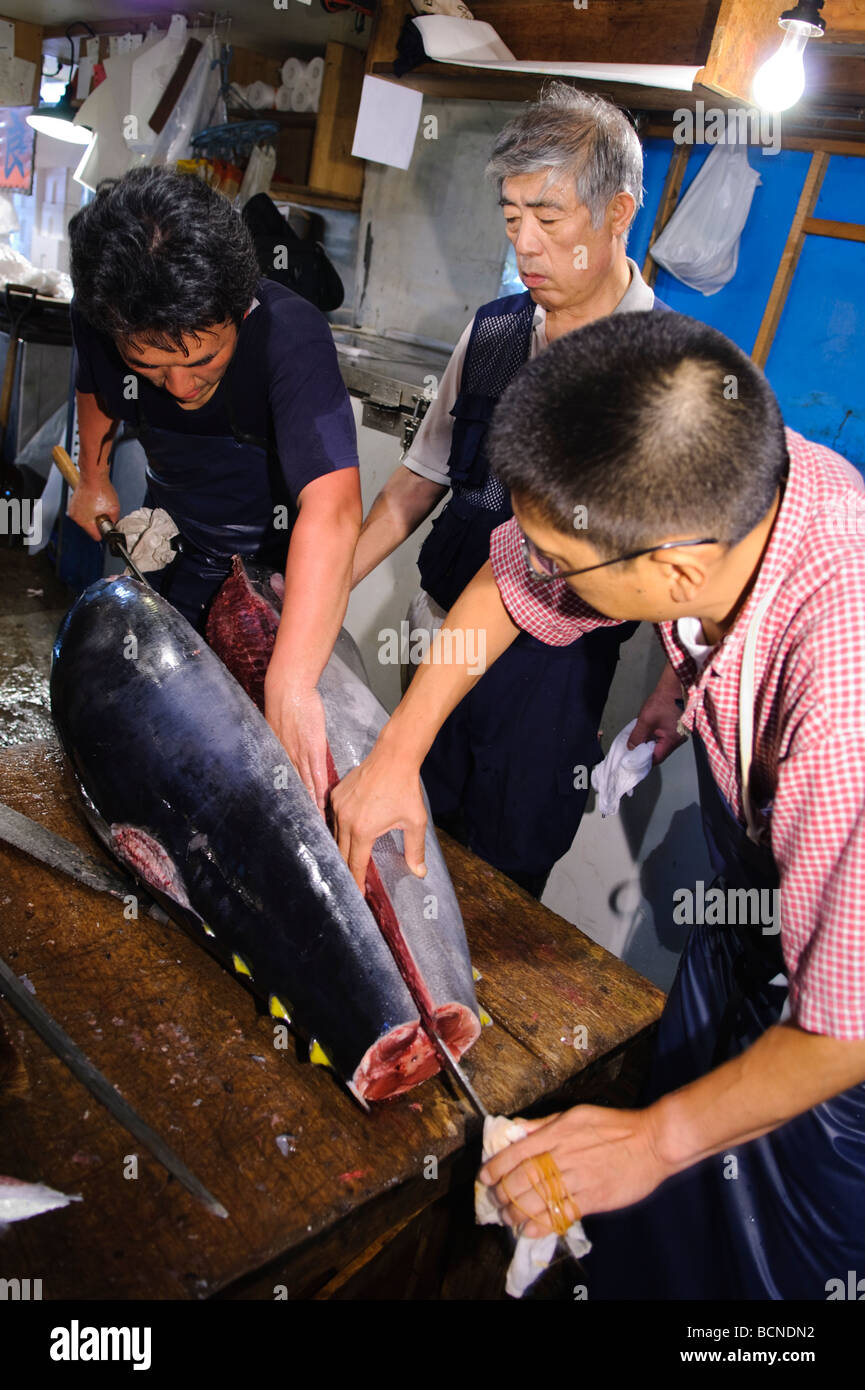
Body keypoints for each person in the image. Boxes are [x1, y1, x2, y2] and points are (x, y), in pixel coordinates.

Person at [332, 310, 865, 1299]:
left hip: (848, 1035)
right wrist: (396, 753)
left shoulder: (841, 708)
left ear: (672, 572)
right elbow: (505, 579)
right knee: (665, 1226)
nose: (542, 571)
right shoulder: (730, 477)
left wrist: (656, 1139)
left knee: (777, 1276)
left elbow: (846, 1025)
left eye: (562, 561)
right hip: (757, 924)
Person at [350, 83, 665, 898]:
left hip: (545, 678)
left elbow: (539, 574)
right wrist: (312, 588)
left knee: (502, 869)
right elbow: (417, 482)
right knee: (407, 833)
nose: (526, 243)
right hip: (439, 629)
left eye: (549, 219)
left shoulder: (657, 373)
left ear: (617, 211)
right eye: (511, 216)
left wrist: (673, 686)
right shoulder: (492, 330)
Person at [67, 167, 361, 811]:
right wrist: (92, 475)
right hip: (168, 553)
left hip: (271, 580)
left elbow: (334, 510)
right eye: (150, 364)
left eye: (202, 361)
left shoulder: (291, 334)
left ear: (240, 306)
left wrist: (291, 681)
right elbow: (96, 388)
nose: (179, 386)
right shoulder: (101, 318)